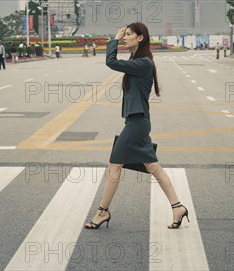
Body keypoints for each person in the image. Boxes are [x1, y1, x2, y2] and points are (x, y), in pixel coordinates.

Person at [84, 22, 189, 230]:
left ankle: (102, 212)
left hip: (137, 122)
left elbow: (111, 62)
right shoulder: (139, 62)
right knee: (152, 167)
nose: (124, 37)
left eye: (128, 34)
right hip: (137, 121)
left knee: (115, 164)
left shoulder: (143, 63)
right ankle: (178, 207)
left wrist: (114, 38)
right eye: (124, 34)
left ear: (140, 38)